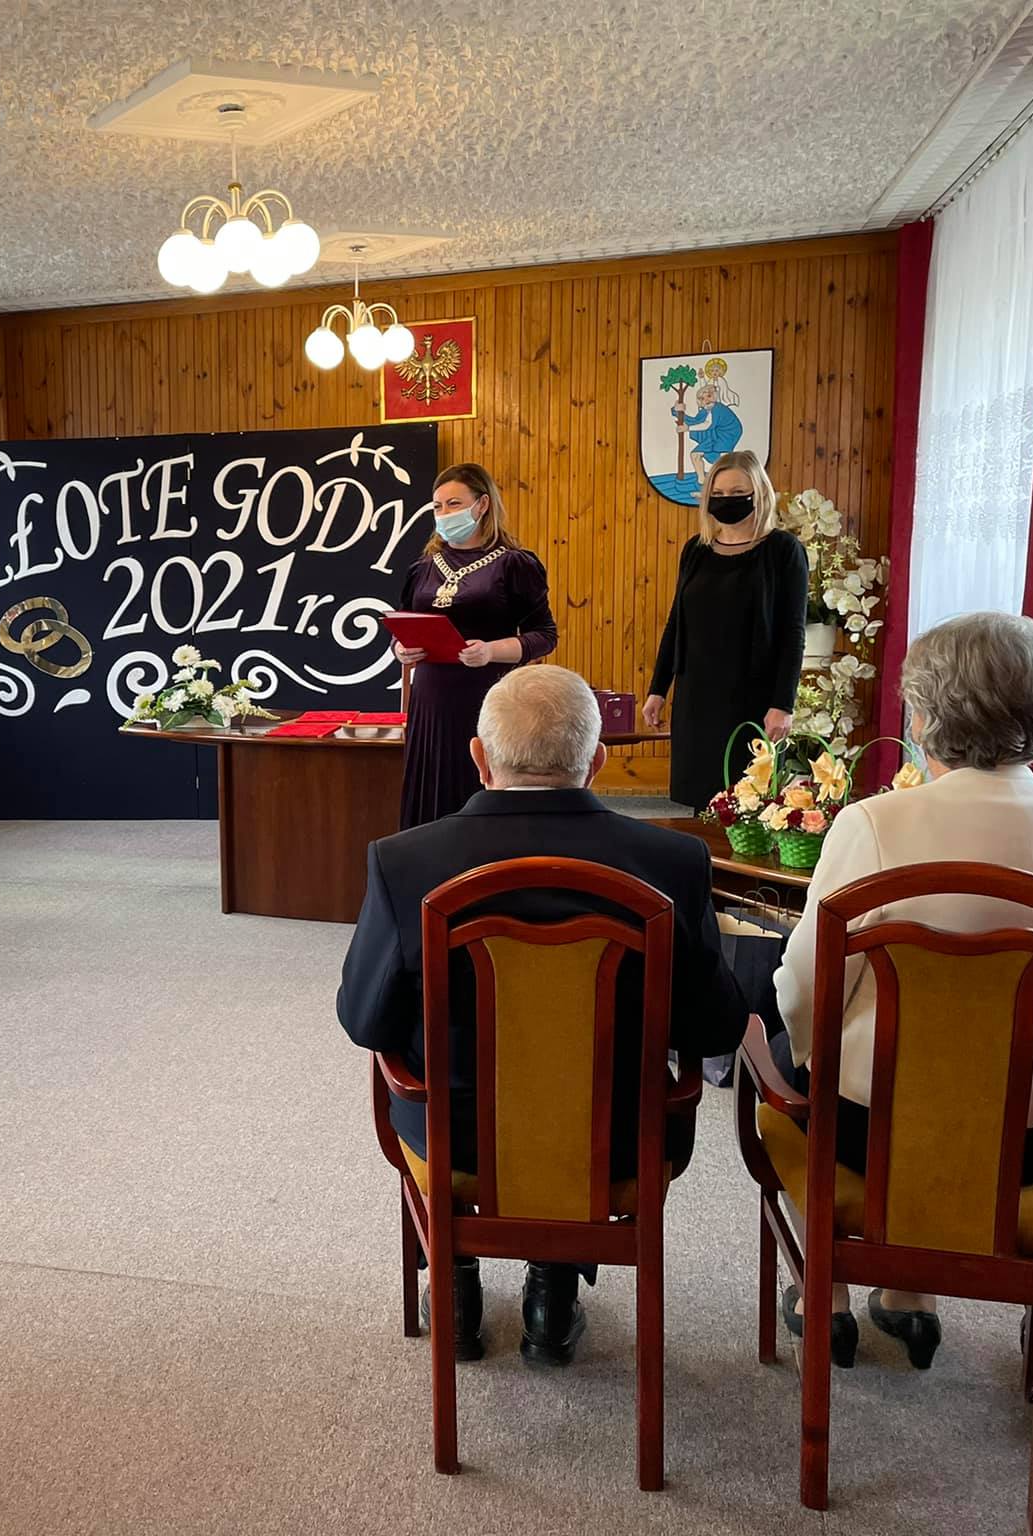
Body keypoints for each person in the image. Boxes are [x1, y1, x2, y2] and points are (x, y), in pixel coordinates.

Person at [338, 665, 748, 1364]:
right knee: (581, 1098)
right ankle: (551, 1299)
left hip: (456, 1142)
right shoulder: (675, 862)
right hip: (619, 1143)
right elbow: (715, 1028)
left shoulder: (404, 862)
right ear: (598, 760)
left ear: (479, 757)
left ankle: (454, 1283)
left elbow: (365, 1022)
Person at [769, 612, 1033, 1369]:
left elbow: (807, 990)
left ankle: (828, 1292)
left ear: (924, 715)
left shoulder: (874, 825)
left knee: (786, 1058)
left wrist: (803, 1056)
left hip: (871, 1137)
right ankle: (910, 1295)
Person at [391, 462, 557, 829]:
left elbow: (544, 635)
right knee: (430, 802)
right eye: (437, 506)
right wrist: (401, 649)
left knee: (480, 793)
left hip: (487, 698)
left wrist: (491, 650)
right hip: (430, 703)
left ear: (482, 505)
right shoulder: (423, 567)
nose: (444, 514)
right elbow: (402, 627)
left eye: (454, 504)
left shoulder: (514, 563)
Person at [642, 450, 808, 808]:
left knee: (750, 804)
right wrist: (658, 689)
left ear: (758, 493)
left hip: (753, 697)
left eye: (737, 493)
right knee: (701, 801)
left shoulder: (783, 550)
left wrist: (783, 704)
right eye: (718, 494)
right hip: (697, 696)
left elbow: (793, 633)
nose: (726, 500)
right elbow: (676, 623)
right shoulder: (696, 550)